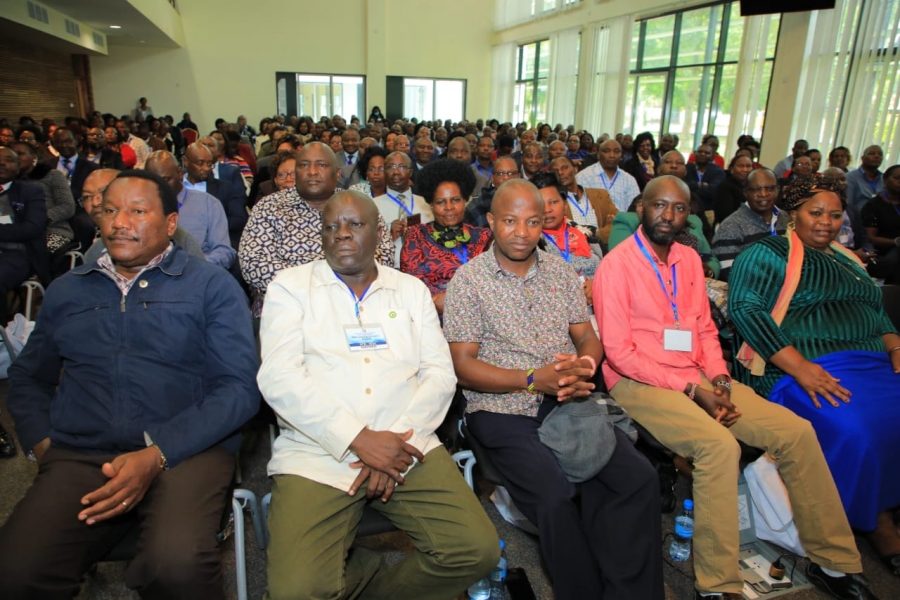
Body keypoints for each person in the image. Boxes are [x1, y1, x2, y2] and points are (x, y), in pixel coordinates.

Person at [597, 175, 875, 600]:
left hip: (700, 374)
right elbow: (620, 353)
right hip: (639, 381)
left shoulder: (689, 260)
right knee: (718, 447)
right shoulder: (616, 266)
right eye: (659, 206)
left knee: (796, 432)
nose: (668, 216)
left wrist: (721, 378)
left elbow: (705, 329)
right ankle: (717, 584)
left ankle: (833, 562)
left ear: (688, 214)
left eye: (678, 208)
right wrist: (694, 391)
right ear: (641, 208)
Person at [0, 169, 259, 599]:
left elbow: (238, 388)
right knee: (16, 571)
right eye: (110, 210)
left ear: (170, 224)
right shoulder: (69, 292)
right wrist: (43, 444)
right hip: (83, 453)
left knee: (175, 568)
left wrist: (157, 454)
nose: (120, 221)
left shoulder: (210, 287)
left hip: (186, 448)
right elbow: (28, 376)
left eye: (137, 211)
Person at [258, 190, 499, 599]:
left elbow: (439, 373)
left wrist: (394, 444)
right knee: (295, 591)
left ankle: (366, 584)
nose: (341, 234)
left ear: (380, 232)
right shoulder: (290, 288)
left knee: (475, 552)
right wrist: (358, 438)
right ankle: (356, 568)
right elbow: (279, 377)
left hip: (408, 444)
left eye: (354, 224)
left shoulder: (410, 291)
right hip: (318, 450)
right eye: (331, 226)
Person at [443, 179, 664, 600]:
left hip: (565, 400)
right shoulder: (468, 281)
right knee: (555, 495)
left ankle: (629, 592)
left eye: (532, 222)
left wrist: (586, 364)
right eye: (509, 221)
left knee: (638, 478)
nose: (521, 232)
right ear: (491, 222)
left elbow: (587, 337)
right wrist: (531, 378)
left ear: (545, 223)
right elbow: (463, 367)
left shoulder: (560, 273)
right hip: (500, 408)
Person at [729, 173, 900, 577]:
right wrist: (801, 368)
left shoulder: (850, 260)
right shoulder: (766, 253)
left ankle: (884, 500)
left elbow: (877, 312)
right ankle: (875, 522)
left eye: (835, 214)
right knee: (859, 429)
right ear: (794, 214)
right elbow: (746, 309)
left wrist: (895, 345)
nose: (826, 222)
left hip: (873, 363)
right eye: (816, 212)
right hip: (799, 368)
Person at [239, 142, 394, 318]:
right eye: (304, 165)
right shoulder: (269, 207)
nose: (312, 171)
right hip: (287, 309)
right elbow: (254, 264)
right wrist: (325, 284)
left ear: (337, 173)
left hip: (353, 308)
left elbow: (384, 255)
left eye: (321, 165)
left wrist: (334, 288)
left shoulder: (358, 205)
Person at [400, 159, 491, 315]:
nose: (449, 207)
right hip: (434, 319)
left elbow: (493, 284)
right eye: (441, 202)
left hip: (481, 318)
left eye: (455, 200)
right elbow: (412, 287)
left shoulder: (483, 237)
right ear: (431, 205)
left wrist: (452, 300)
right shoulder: (417, 236)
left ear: (465, 200)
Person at [144, 151, 235, 269]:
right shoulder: (136, 208)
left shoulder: (208, 204)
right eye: (152, 182)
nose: (158, 188)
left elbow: (225, 252)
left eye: (165, 180)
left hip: (196, 275)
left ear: (180, 173)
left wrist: (193, 267)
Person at [531, 171, 601, 309]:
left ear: (565, 205)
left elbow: (611, 275)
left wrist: (598, 284)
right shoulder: (529, 243)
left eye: (553, 202)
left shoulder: (587, 235)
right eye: (540, 204)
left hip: (597, 311)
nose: (547, 210)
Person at [712, 168, 790, 282]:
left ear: (778, 190)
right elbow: (730, 273)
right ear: (746, 193)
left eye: (770, 188)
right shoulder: (731, 226)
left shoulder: (787, 219)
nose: (763, 194)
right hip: (752, 294)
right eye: (756, 189)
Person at [11, 141, 77, 254]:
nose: (16, 158)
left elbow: (67, 206)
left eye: (20, 154)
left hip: (53, 230)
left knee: (29, 253)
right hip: (19, 232)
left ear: (33, 157)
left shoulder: (52, 175)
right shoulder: (10, 181)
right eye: (13, 155)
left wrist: (37, 219)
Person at [373, 151, 433, 266]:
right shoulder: (372, 206)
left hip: (424, 269)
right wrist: (388, 236)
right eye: (391, 167)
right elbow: (366, 246)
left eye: (402, 167)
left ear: (410, 172)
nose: (396, 172)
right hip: (388, 270)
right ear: (384, 172)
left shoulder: (426, 204)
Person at [182, 143, 247, 249]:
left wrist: (211, 224)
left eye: (209, 164)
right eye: (200, 163)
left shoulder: (225, 188)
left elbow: (239, 219)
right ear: (186, 162)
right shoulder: (175, 188)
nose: (206, 168)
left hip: (215, 246)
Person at [549, 156, 617, 248]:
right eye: (555, 171)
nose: (560, 173)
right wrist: (599, 235)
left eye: (564, 168)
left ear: (575, 169)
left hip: (603, 251)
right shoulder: (553, 203)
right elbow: (560, 235)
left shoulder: (601, 195)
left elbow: (618, 223)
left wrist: (593, 236)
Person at [576, 140, 641, 213]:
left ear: (621, 156)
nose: (612, 155)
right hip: (591, 222)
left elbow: (635, 209)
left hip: (621, 223)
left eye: (616, 151)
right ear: (598, 155)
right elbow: (578, 207)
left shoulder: (629, 180)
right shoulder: (584, 176)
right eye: (606, 151)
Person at [861, 164, 900, 283]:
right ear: (886, 179)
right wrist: (896, 241)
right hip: (883, 253)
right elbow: (872, 238)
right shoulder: (873, 205)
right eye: (897, 178)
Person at [463, 156, 520, 228]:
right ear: (492, 178)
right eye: (500, 173)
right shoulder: (478, 206)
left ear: (519, 176)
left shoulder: (527, 202)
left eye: (511, 173)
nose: (506, 178)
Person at [713, 154, 754, 226]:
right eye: (741, 166)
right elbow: (726, 214)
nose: (745, 170)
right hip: (728, 226)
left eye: (748, 166)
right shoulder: (724, 186)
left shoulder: (753, 186)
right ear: (732, 169)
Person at [684, 144, 725, 209]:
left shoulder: (718, 171)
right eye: (700, 152)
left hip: (708, 209)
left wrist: (691, 189)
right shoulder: (686, 168)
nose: (702, 154)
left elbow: (713, 192)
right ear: (695, 154)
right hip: (686, 207)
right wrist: (699, 185)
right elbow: (682, 185)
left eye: (707, 153)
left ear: (712, 157)